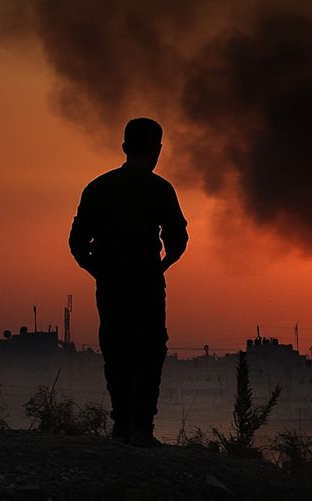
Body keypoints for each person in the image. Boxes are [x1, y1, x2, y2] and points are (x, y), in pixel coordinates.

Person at [68, 118, 188, 446]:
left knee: (117, 348)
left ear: (124, 147)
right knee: (148, 350)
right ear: (158, 150)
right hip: (147, 283)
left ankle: (122, 424)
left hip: (111, 284)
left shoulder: (98, 187)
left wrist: (98, 270)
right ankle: (141, 428)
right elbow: (178, 239)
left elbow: (77, 242)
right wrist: (161, 266)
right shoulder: (160, 189)